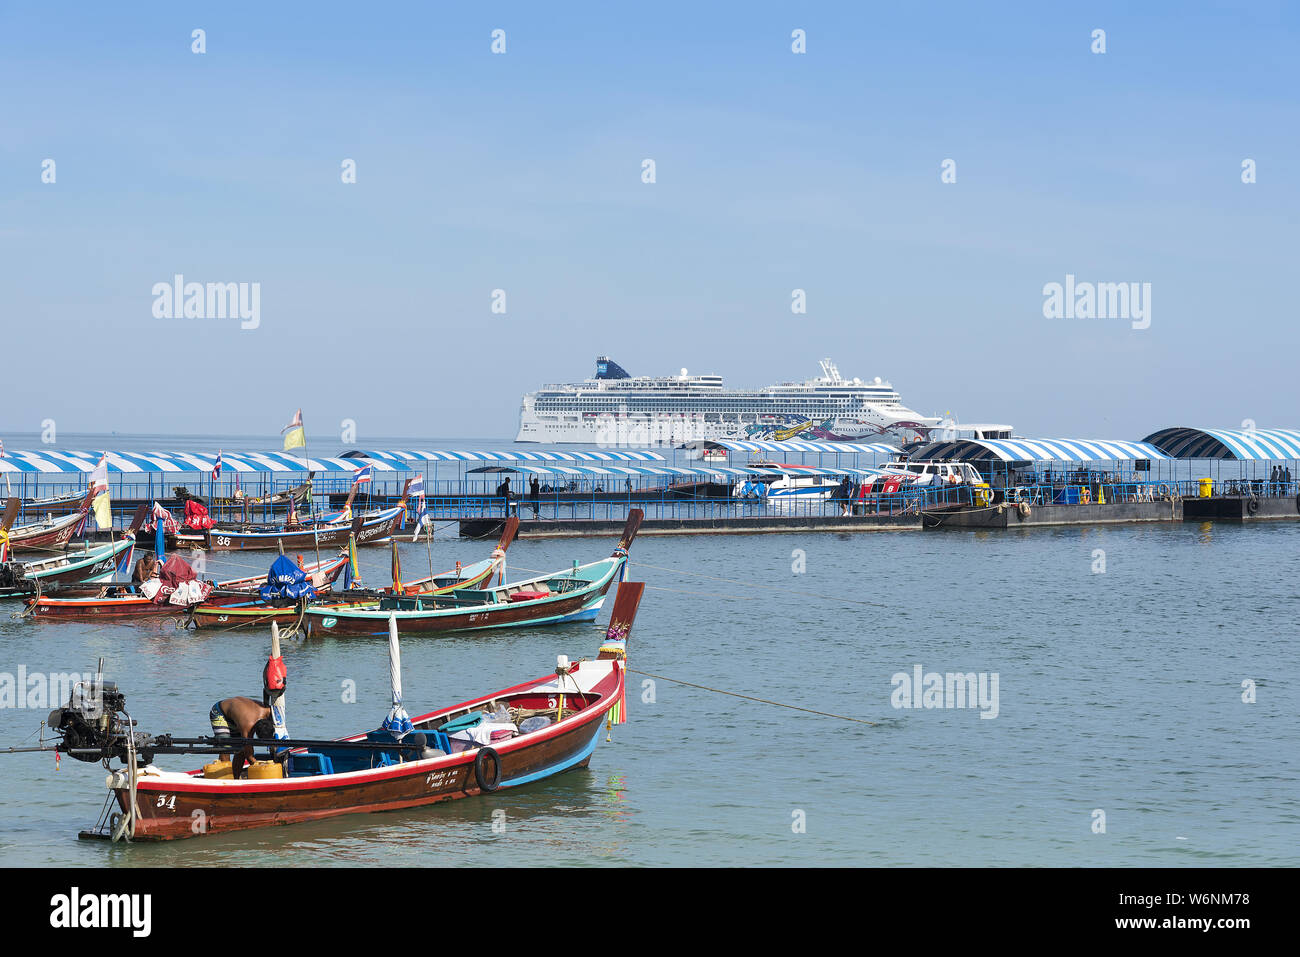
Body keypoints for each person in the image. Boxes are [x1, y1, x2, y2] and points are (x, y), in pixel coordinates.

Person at [209, 696, 277, 779]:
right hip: (220, 712)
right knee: (226, 748)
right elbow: (249, 756)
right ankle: (226, 778)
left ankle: (236, 778)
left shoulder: (270, 712)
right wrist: (261, 767)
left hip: (237, 715)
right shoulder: (248, 725)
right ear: (254, 730)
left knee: (240, 750)